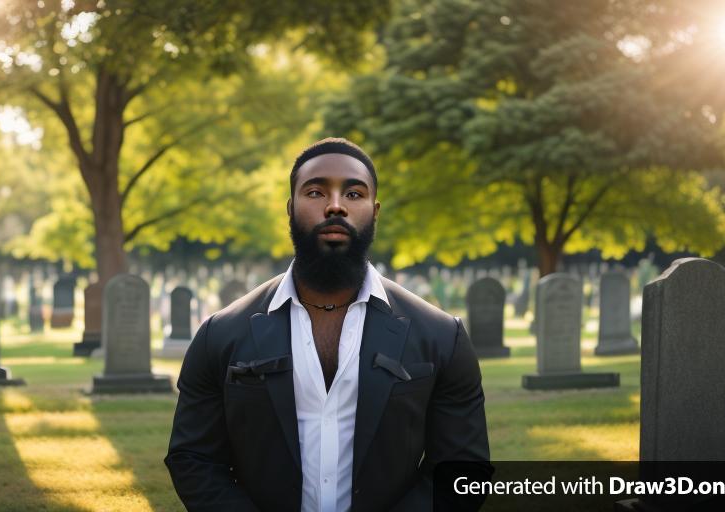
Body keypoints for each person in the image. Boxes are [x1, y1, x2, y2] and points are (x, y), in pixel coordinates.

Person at [164, 138, 491, 511]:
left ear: (374, 210)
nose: (335, 206)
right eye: (316, 191)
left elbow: (464, 469)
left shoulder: (441, 336)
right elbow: (193, 460)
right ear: (290, 208)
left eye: (354, 194)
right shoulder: (220, 335)